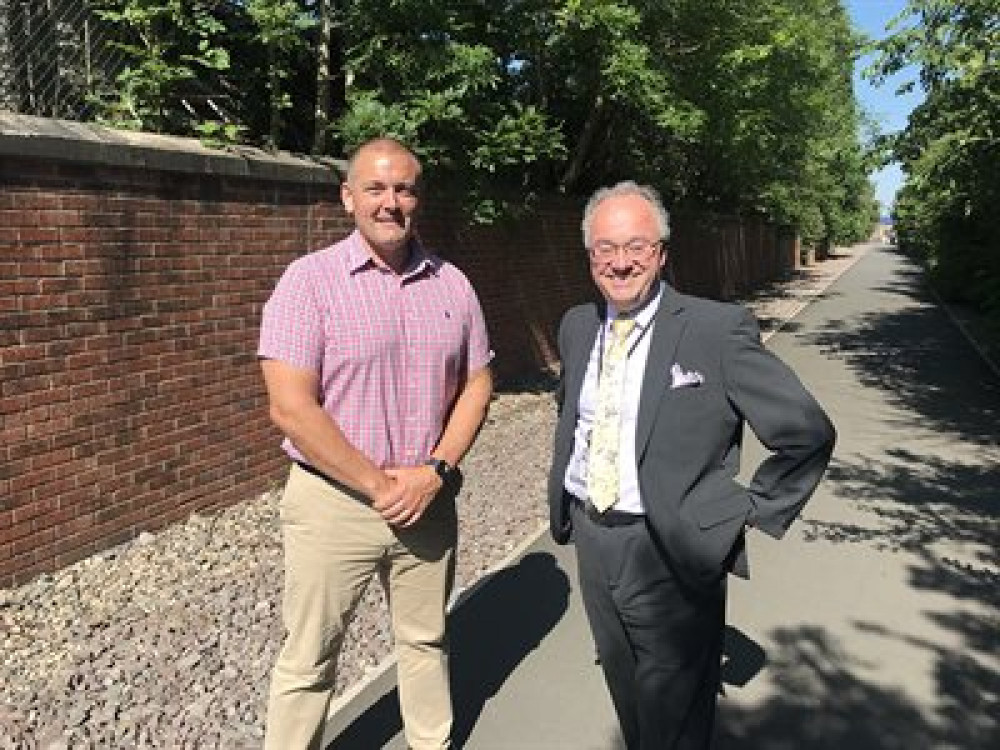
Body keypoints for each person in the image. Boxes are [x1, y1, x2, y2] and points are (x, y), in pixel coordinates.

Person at [547, 181, 835, 749]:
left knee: (675, 717)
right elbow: (574, 419)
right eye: (606, 248)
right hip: (592, 535)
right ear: (590, 255)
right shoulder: (577, 326)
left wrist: (743, 511)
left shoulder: (714, 330)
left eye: (637, 246)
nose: (621, 262)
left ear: (661, 254)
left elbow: (806, 432)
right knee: (627, 692)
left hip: (671, 549)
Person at [258, 137, 493, 750]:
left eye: (404, 188)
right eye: (375, 188)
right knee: (310, 658)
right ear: (347, 199)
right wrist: (378, 484)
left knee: (424, 641)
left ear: (419, 198)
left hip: (427, 501)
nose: (391, 202)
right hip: (335, 505)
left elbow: (476, 384)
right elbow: (290, 407)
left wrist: (436, 470)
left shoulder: (454, 285)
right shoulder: (308, 283)